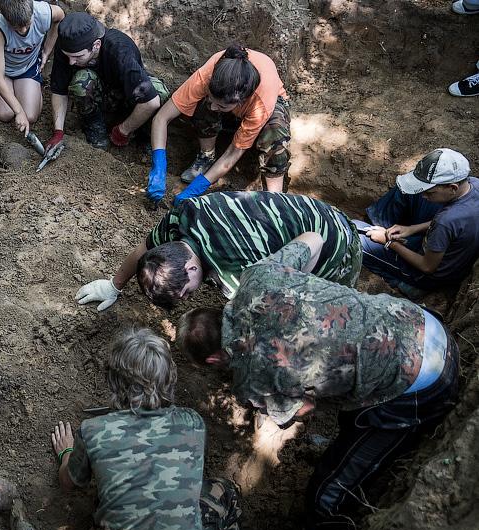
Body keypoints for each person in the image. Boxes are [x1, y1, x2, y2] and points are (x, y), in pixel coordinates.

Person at [177, 234, 460, 530]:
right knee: (347, 397)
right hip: (423, 324)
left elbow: (302, 409)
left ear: (215, 359)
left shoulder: (250, 378)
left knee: (328, 491)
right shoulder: (257, 275)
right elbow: (313, 238)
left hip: (421, 384)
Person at [50, 327, 251, 530]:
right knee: (225, 490)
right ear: (170, 379)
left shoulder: (95, 430)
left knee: (103, 500)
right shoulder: (192, 423)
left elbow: (67, 482)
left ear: (113, 381)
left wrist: (66, 453)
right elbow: (191, 473)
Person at [75, 191, 361, 311]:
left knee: (323, 309)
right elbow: (144, 249)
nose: (189, 298)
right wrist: (114, 285)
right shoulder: (183, 215)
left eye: (186, 292)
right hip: (302, 213)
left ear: (190, 268)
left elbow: (271, 302)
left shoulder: (236, 272)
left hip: (336, 246)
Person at [146, 43, 291, 206]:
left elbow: (233, 153)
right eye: (212, 98)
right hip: (229, 100)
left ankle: (275, 200)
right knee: (203, 103)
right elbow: (161, 118)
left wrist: (198, 188)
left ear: (242, 102)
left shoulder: (260, 103)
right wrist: (159, 165)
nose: (214, 108)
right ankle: (206, 155)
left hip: (270, 102)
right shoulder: (209, 75)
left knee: (275, 134)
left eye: (221, 106)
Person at [355, 148, 479, 298]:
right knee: (407, 191)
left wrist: (389, 242)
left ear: (452, 188)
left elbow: (427, 267)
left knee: (354, 236)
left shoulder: (445, 221)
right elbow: (453, 226)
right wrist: (411, 229)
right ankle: (382, 227)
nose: (424, 196)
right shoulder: (473, 184)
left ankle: (406, 285)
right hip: (441, 243)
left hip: (425, 274)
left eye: (429, 192)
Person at [45, 12, 169, 151]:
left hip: (130, 99)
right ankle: (94, 126)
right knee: (82, 82)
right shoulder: (68, 48)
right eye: (68, 56)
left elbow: (150, 102)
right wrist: (58, 132)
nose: (71, 62)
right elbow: (59, 91)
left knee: (159, 92)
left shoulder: (119, 50)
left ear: (96, 45)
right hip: (102, 99)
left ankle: (145, 135)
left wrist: (122, 131)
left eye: (78, 56)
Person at [0, 0, 65, 134]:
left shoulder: (43, 12)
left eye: (27, 24)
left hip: (28, 66)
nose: (23, 30)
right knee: (5, 114)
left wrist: (47, 50)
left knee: (30, 115)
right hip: (3, 71)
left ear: (32, 12)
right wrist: (18, 111)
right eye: (17, 27)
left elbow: (60, 17)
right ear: (6, 19)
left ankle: (31, 90)